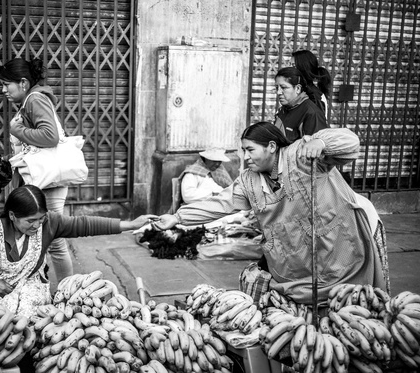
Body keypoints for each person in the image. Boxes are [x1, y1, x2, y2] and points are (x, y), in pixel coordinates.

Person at [154, 122, 386, 304]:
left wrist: (322, 143)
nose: (245, 157)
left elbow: (350, 142)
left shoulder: (302, 155)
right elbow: (219, 204)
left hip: (344, 242)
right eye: (243, 150)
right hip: (303, 262)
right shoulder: (248, 181)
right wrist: (177, 218)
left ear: (272, 147)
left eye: (250, 150)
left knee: (358, 302)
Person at [0, 185, 157, 318]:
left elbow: (84, 224)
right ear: (13, 216)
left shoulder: (48, 223)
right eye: (30, 221)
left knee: (32, 318)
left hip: (22, 284)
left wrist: (130, 225)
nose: (37, 226)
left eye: (41, 219)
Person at [0, 57, 73, 288]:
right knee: (43, 238)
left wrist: (16, 129)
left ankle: (68, 293)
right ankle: (46, 290)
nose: (3, 90)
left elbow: (50, 137)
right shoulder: (34, 99)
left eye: (5, 84)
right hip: (43, 181)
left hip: (47, 184)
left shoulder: (34, 99)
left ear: (22, 83)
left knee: (54, 239)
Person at [274, 67, 328, 144]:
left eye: (283, 87)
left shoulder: (312, 113)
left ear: (298, 89)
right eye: (277, 88)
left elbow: (313, 149)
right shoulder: (284, 109)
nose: (278, 92)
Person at [292, 50, 332, 114]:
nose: (290, 70)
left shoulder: (315, 96)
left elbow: (318, 122)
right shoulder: (297, 90)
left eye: (294, 66)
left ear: (303, 68)